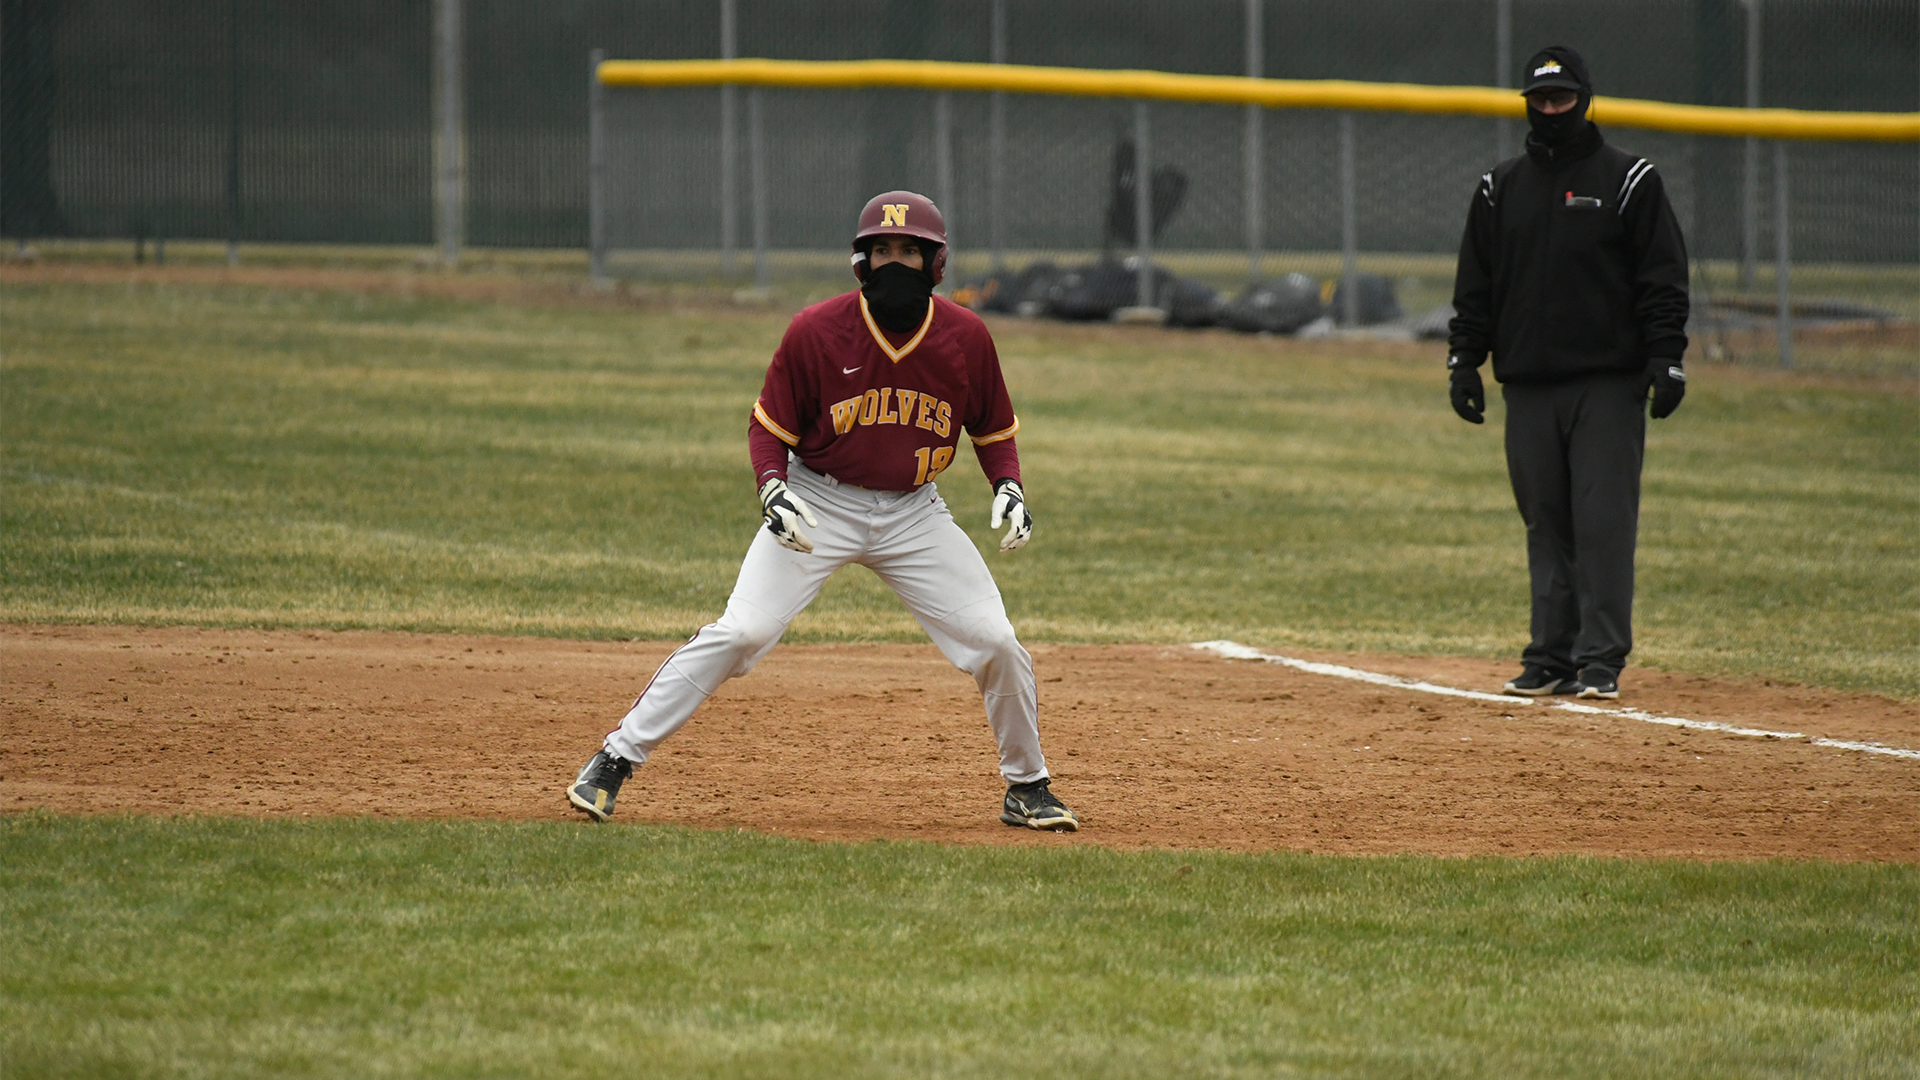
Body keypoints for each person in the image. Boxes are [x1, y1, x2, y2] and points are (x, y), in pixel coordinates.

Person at [566, 190, 1079, 832]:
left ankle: (1027, 787)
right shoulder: (816, 330)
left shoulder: (965, 337)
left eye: (910, 251)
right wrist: (772, 490)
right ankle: (615, 758)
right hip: (819, 502)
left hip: (916, 515)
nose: (897, 262)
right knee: (743, 632)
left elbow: (994, 430)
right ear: (861, 262)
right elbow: (768, 430)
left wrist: (1009, 485)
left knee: (997, 641)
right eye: (883, 250)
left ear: (935, 263)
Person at [1446, 45, 1690, 702]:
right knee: (1545, 520)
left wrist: (1666, 356)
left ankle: (1601, 657)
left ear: (1585, 99)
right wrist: (1465, 359)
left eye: (1562, 99)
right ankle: (1549, 653)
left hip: (1606, 382)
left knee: (1602, 518)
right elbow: (1477, 284)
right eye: (1541, 100)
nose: (1552, 110)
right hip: (1527, 382)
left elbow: (1661, 277)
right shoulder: (1501, 187)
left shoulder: (1630, 178)